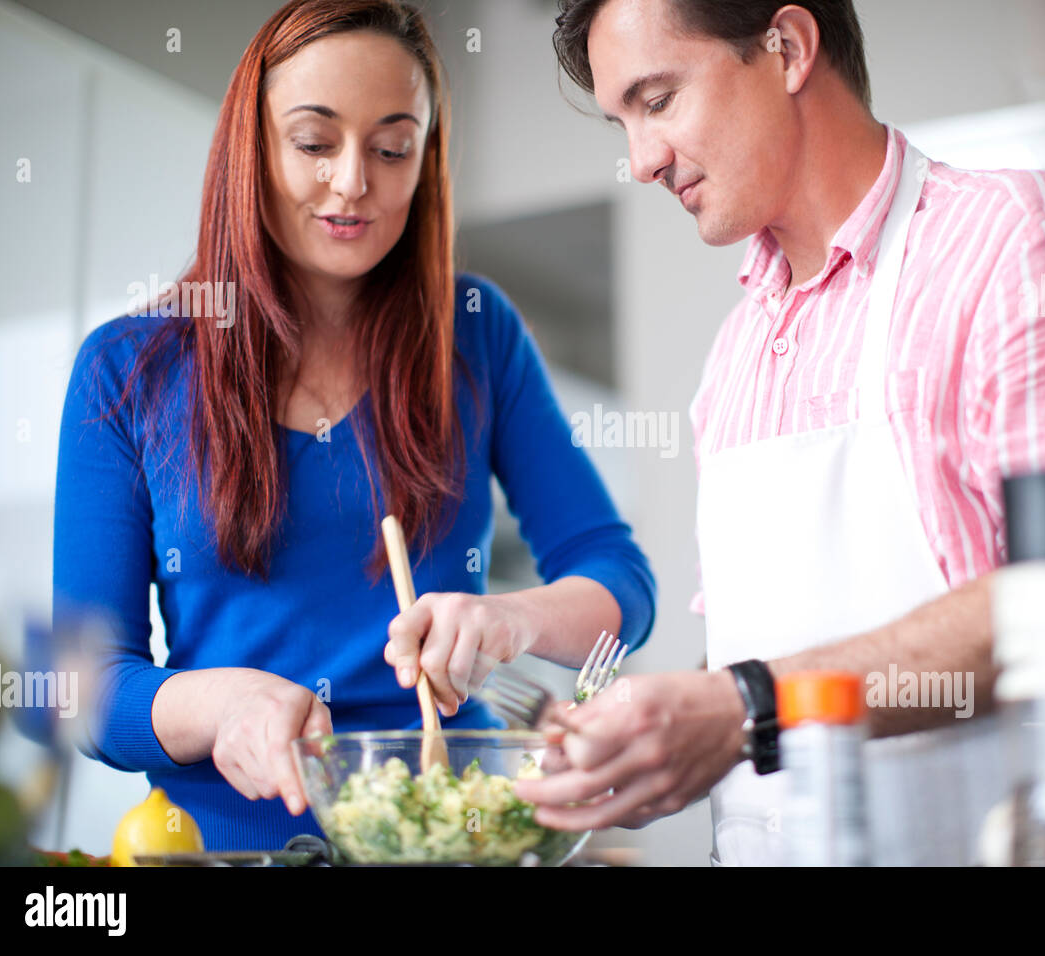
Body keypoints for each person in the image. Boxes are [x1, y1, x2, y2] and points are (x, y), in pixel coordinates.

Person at [515, 0, 1045, 865]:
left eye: (657, 101)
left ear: (787, 47)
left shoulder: (1015, 237)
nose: (641, 161)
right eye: (622, 122)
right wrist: (647, 741)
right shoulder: (733, 360)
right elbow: (755, 658)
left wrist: (747, 707)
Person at [51, 0, 655, 852]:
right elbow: (84, 687)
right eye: (313, 142)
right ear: (251, 149)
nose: (352, 183)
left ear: (424, 160)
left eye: (392, 147)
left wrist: (511, 622)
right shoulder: (128, 369)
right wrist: (222, 704)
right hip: (225, 848)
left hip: (446, 839)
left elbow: (618, 578)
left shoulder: (477, 334)